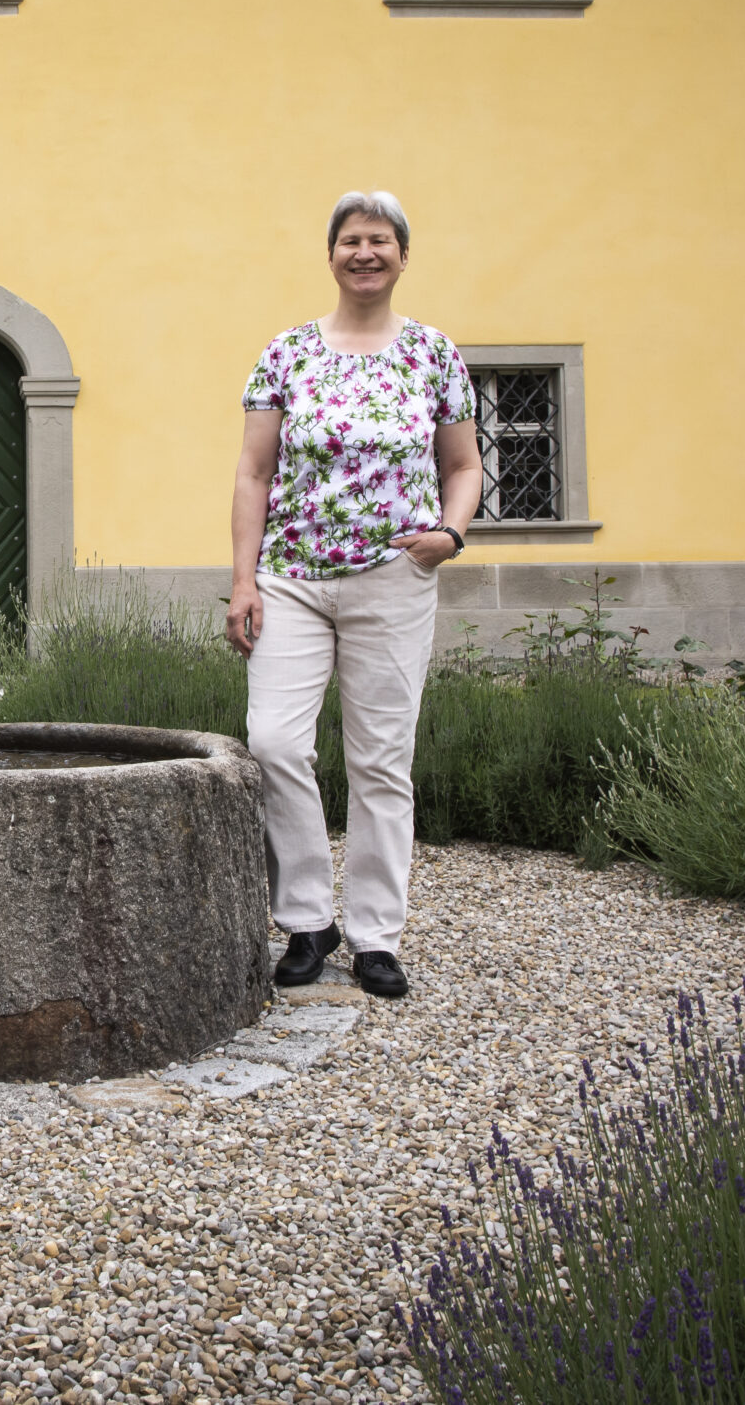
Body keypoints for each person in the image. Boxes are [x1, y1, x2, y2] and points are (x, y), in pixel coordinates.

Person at [226, 192, 480, 1000]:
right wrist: (242, 580)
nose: (364, 253)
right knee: (273, 742)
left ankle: (376, 934)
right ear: (331, 254)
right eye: (350, 240)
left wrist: (452, 532)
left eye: (379, 241)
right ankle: (307, 919)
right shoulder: (287, 352)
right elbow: (254, 472)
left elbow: (463, 464)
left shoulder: (433, 354)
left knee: (380, 760)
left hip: (394, 578)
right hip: (291, 579)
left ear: (403, 256)